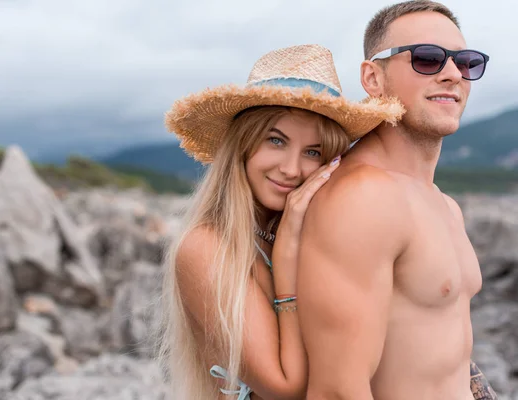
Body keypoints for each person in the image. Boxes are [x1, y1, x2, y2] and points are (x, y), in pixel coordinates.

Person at [157, 44, 404, 400]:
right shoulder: (205, 248)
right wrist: (287, 253)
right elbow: (287, 387)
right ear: (242, 145)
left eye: (313, 152)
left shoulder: (315, 237)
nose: (291, 169)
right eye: (276, 140)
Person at [296, 2, 497, 400]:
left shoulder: (442, 204)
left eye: (467, 62)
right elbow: (337, 389)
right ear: (373, 77)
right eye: (427, 58)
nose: (453, 74)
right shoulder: (363, 197)